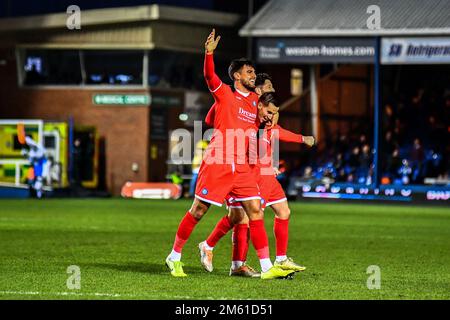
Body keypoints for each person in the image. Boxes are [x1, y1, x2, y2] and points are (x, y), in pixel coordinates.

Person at [165, 29, 295, 280]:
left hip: (242, 167)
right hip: (219, 162)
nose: (252, 75)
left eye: (253, 73)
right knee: (199, 210)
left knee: (254, 210)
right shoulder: (224, 93)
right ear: (237, 76)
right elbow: (208, 75)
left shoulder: (255, 105)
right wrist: (209, 53)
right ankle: (174, 256)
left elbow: (267, 119)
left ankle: (268, 268)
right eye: (248, 72)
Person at [198, 74, 315, 277]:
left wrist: (300, 138)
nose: (272, 89)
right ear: (257, 91)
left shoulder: (265, 111)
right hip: (243, 171)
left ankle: (279, 259)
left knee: (282, 211)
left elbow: (273, 131)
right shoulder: (244, 109)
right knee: (240, 218)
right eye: (267, 86)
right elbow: (211, 120)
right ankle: (225, 256)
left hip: (263, 174)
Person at [17, 124, 48, 199]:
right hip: (37, 166)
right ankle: (38, 194)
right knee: (34, 181)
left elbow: (38, 153)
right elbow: (30, 160)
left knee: (39, 181)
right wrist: (25, 155)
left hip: (42, 165)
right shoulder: (31, 152)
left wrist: (26, 140)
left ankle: (40, 194)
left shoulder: (39, 147)